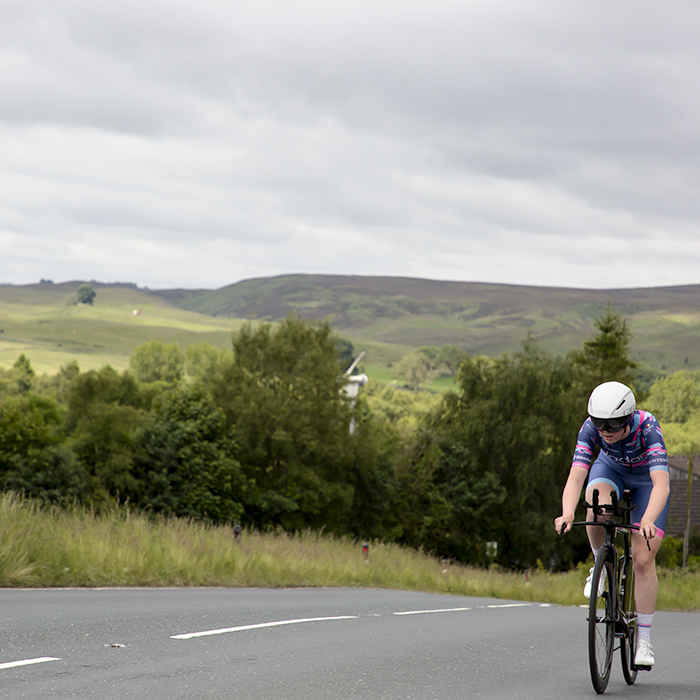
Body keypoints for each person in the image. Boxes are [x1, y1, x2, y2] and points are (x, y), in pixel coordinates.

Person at [554, 380, 670, 669]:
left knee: (643, 558)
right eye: (599, 424)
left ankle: (643, 639)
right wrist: (567, 512)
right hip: (611, 471)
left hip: (647, 483)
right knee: (595, 504)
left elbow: (661, 485)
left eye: (612, 426)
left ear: (628, 418)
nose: (604, 432)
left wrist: (648, 520)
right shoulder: (590, 429)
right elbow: (576, 476)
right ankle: (599, 564)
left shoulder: (648, 428)